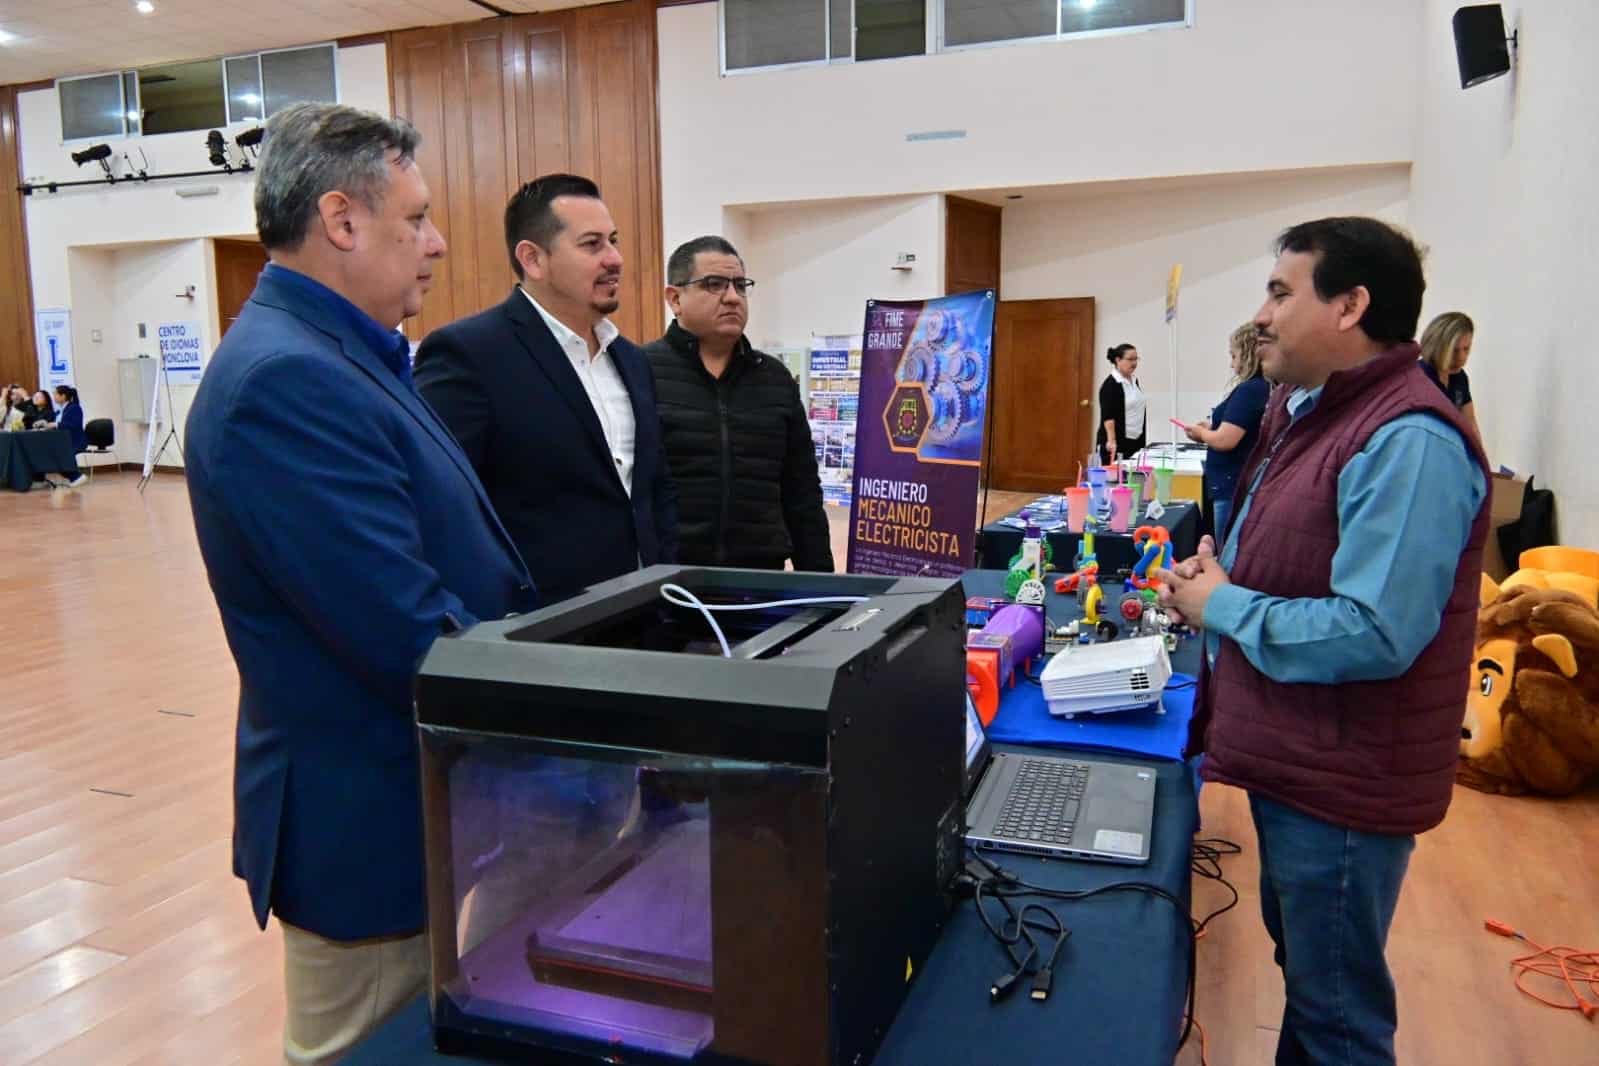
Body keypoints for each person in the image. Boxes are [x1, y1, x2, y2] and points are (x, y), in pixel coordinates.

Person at [182, 102, 535, 1066]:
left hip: (419, 791)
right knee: (364, 1047)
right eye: (415, 218)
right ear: (341, 220)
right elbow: (398, 627)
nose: (438, 242)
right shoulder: (285, 381)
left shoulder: (343, 352)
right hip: (365, 818)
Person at [1156, 217, 1488, 1066]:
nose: (1260, 315)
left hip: (1344, 781)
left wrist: (1226, 606)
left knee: (1336, 1017)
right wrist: (1215, 579)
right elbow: (1301, 556)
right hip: (1302, 755)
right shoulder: (1309, 410)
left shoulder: (1406, 439)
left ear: (1349, 307)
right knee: (1312, 991)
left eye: (1279, 292)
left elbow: (1375, 631)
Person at [415, 174, 676, 604]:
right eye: (592, 244)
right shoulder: (469, 354)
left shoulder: (632, 360)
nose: (614, 259)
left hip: (646, 611)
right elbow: (442, 504)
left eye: (613, 241)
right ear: (533, 259)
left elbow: (654, 488)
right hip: (539, 624)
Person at [642, 236, 833, 572]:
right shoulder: (640, 371)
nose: (732, 297)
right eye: (714, 284)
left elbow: (802, 493)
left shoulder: (774, 378)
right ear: (675, 298)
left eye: (740, 285)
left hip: (760, 579)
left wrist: (821, 585)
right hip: (668, 581)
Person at [1185, 324, 1269, 543]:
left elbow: (1225, 440)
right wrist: (1212, 427)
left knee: (1227, 548)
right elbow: (1239, 429)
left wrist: (1202, 434)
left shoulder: (1250, 390)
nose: (1232, 364)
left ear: (1247, 354)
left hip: (1232, 485)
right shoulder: (1260, 388)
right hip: (1234, 482)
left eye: (1234, 356)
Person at [1417, 311, 1480, 442]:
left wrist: (1480, 454)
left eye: (1466, 349)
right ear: (1435, 347)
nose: (1461, 358)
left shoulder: (1460, 377)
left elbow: (1470, 425)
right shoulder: (1419, 377)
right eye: (1454, 350)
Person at [1096, 342, 1145, 465]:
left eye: (1136, 359)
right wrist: (1111, 441)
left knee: (1135, 474)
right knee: (1117, 475)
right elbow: (1108, 416)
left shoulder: (1134, 380)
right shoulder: (1110, 385)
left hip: (1136, 439)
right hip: (1118, 442)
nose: (1134, 363)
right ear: (1118, 360)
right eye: (1130, 359)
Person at [52, 385, 86, 455]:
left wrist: (56, 424)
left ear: (63, 396)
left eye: (55, 394)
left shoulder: (74, 408)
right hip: (63, 441)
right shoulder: (59, 411)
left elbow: (74, 425)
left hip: (74, 442)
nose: (54, 397)